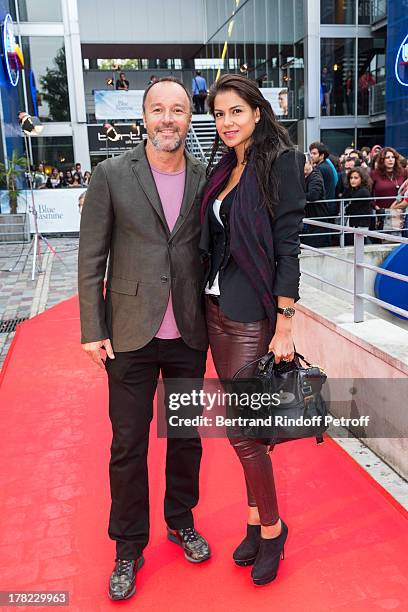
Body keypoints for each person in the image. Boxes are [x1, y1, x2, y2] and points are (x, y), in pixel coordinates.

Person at [78, 76, 210, 602]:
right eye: (159, 109)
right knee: (127, 446)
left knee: (185, 439)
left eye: (178, 110)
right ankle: (128, 548)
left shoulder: (206, 177)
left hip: (187, 335)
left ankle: (181, 520)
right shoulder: (112, 174)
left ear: (187, 117)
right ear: (145, 115)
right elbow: (92, 259)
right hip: (130, 334)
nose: (169, 119)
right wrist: (93, 329)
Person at [200, 74, 305, 587]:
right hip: (216, 310)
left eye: (236, 112)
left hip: (250, 316)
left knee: (243, 433)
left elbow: (289, 246)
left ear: (257, 112)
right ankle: (251, 520)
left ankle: (273, 529)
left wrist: (284, 325)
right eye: (219, 114)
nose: (226, 123)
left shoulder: (279, 161)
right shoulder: (226, 165)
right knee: (245, 426)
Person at [370, 147, 408, 231]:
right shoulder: (374, 174)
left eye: (393, 157)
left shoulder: (403, 172)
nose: (391, 160)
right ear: (382, 160)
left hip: (400, 213)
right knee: (384, 240)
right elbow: (369, 194)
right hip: (382, 214)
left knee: (399, 240)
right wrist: (376, 207)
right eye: (387, 157)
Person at [303, 152, 329, 247]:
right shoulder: (301, 177)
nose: (301, 166)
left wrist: (296, 197)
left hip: (317, 220)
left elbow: (313, 195)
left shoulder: (316, 176)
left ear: (311, 163)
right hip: (307, 220)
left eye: (304, 163)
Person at [343, 167, 373, 245]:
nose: (352, 180)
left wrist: (347, 207)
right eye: (351, 178)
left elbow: (349, 209)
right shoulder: (353, 190)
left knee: (360, 245)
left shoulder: (363, 192)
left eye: (356, 178)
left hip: (360, 224)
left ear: (362, 179)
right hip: (353, 224)